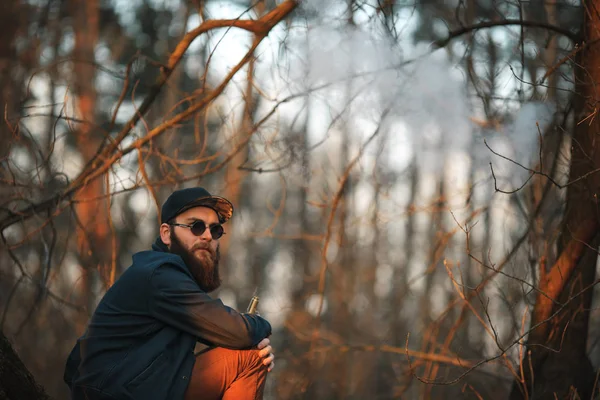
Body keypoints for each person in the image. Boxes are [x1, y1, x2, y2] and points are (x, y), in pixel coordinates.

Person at [64, 187, 274, 400]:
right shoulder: (160, 275)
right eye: (196, 226)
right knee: (251, 357)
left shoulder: (168, 277)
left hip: (142, 388)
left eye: (216, 230)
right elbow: (239, 332)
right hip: (118, 393)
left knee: (248, 353)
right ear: (166, 233)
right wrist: (259, 325)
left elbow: (229, 333)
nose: (208, 236)